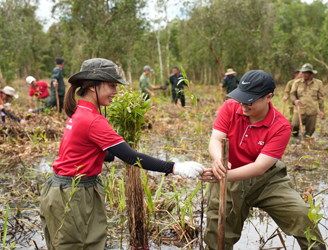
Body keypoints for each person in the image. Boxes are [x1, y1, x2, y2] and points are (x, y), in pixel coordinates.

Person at [39, 58, 204, 249]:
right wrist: (175, 167)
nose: (115, 92)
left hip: (65, 189)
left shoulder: (80, 112)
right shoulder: (93, 120)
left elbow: (81, 150)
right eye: (111, 86)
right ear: (93, 86)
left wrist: (110, 155)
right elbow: (132, 157)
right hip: (73, 194)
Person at [199, 70, 325, 250]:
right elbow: (216, 140)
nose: (243, 104)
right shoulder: (230, 107)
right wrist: (219, 163)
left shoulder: (281, 126)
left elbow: (259, 167)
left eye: (250, 100)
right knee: (218, 233)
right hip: (228, 176)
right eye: (241, 98)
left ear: (269, 97)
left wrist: (223, 175)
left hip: (267, 180)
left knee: (302, 215)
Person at [290, 63, 324, 137]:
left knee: (310, 130)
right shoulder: (297, 83)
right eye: (303, 72)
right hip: (299, 109)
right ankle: (295, 139)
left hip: (312, 111)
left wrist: (321, 110)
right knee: (294, 126)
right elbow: (292, 94)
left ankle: (306, 143)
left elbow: (321, 98)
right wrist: (295, 100)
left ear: (311, 73)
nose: (303, 74)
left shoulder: (318, 83)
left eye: (306, 72)